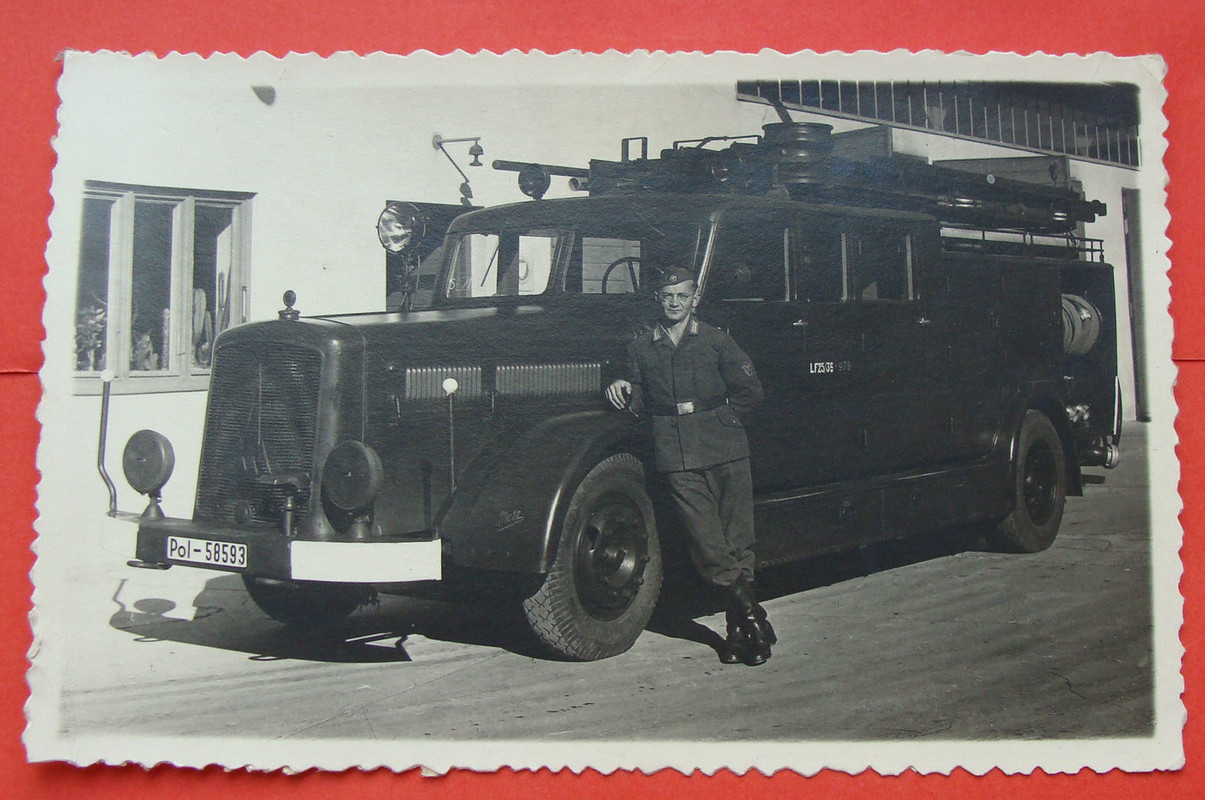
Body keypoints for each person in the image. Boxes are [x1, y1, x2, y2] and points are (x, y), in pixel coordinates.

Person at [604, 267, 775, 666]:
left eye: (682, 296)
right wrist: (617, 382)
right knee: (708, 546)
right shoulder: (642, 348)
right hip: (677, 455)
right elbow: (638, 399)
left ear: (695, 299)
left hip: (725, 447)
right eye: (667, 296)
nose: (675, 303)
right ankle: (754, 618)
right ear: (657, 299)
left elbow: (750, 392)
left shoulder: (717, 341)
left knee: (738, 542)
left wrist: (725, 425)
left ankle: (738, 634)